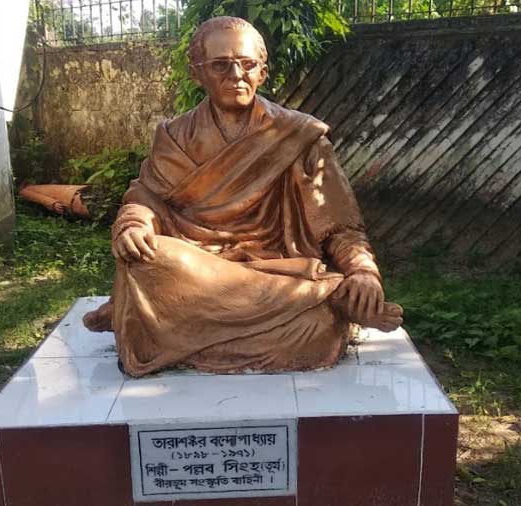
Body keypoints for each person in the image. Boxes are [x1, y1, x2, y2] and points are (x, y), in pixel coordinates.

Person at [83, 16, 402, 377]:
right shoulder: (174, 136)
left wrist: (363, 273)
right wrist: (135, 223)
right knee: (147, 257)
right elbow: (147, 198)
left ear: (262, 73)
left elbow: (340, 226)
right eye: (220, 65)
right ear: (196, 73)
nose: (236, 74)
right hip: (200, 266)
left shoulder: (299, 137)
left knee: (318, 331)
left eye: (247, 64)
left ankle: (153, 319)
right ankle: (326, 297)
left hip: (272, 267)